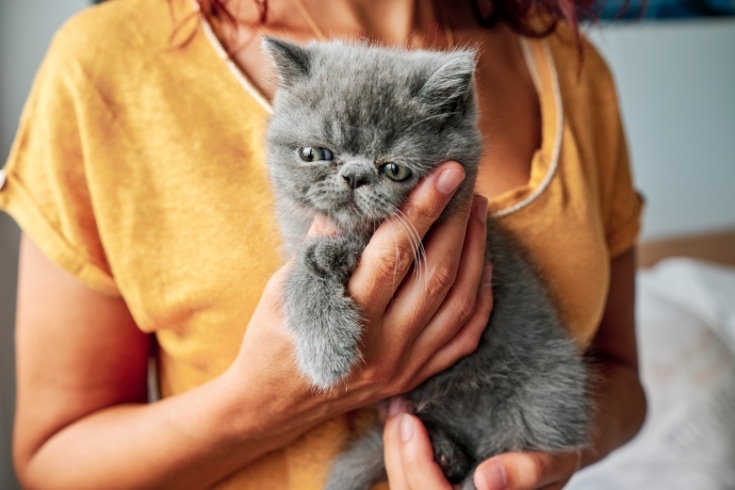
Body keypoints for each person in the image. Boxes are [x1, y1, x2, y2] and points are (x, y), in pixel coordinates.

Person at [0, 0, 646, 488]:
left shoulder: (565, 59)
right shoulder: (111, 57)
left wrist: (543, 459)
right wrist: (268, 400)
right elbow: (53, 462)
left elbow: (620, 381)